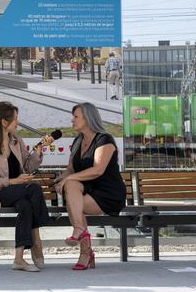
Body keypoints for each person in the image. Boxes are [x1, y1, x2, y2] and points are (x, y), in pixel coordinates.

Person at [0, 101, 54, 272]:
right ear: (4, 122)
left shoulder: (17, 141)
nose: (18, 122)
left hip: (19, 193)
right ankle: (36, 238)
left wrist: (39, 150)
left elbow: (27, 168)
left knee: (26, 205)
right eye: (16, 119)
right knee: (33, 188)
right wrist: (12, 182)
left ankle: (19, 259)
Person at [54, 102, 126, 271]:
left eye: (76, 117)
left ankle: (85, 250)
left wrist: (68, 179)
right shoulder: (78, 140)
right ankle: (81, 234)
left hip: (108, 193)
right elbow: (70, 170)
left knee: (74, 202)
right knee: (72, 189)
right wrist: (60, 180)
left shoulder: (104, 139)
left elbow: (98, 170)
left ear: (87, 118)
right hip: (87, 191)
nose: (72, 120)